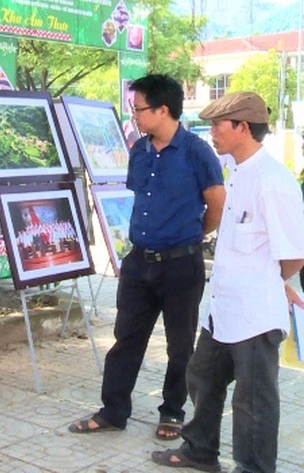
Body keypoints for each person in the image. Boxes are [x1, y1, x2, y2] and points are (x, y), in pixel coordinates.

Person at [152, 93, 304, 472]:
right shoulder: (235, 172)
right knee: (202, 375)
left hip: (254, 312)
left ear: (242, 128)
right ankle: (201, 450)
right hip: (223, 307)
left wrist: (272, 280)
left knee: (253, 400)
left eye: (219, 125)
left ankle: (253, 467)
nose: (212, 133)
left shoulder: (273, 181)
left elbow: (295, 254)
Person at [69, 74, 226, 440]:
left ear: (162, 110)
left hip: (181, 264)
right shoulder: (138, 151)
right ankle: (113, 410)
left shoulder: (196, 152)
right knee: (126, 338)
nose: (134, 116)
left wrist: (192, 233)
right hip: (139, 263)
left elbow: (217, 204)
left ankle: (172, 411)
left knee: (179, 344)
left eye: (138, 109)